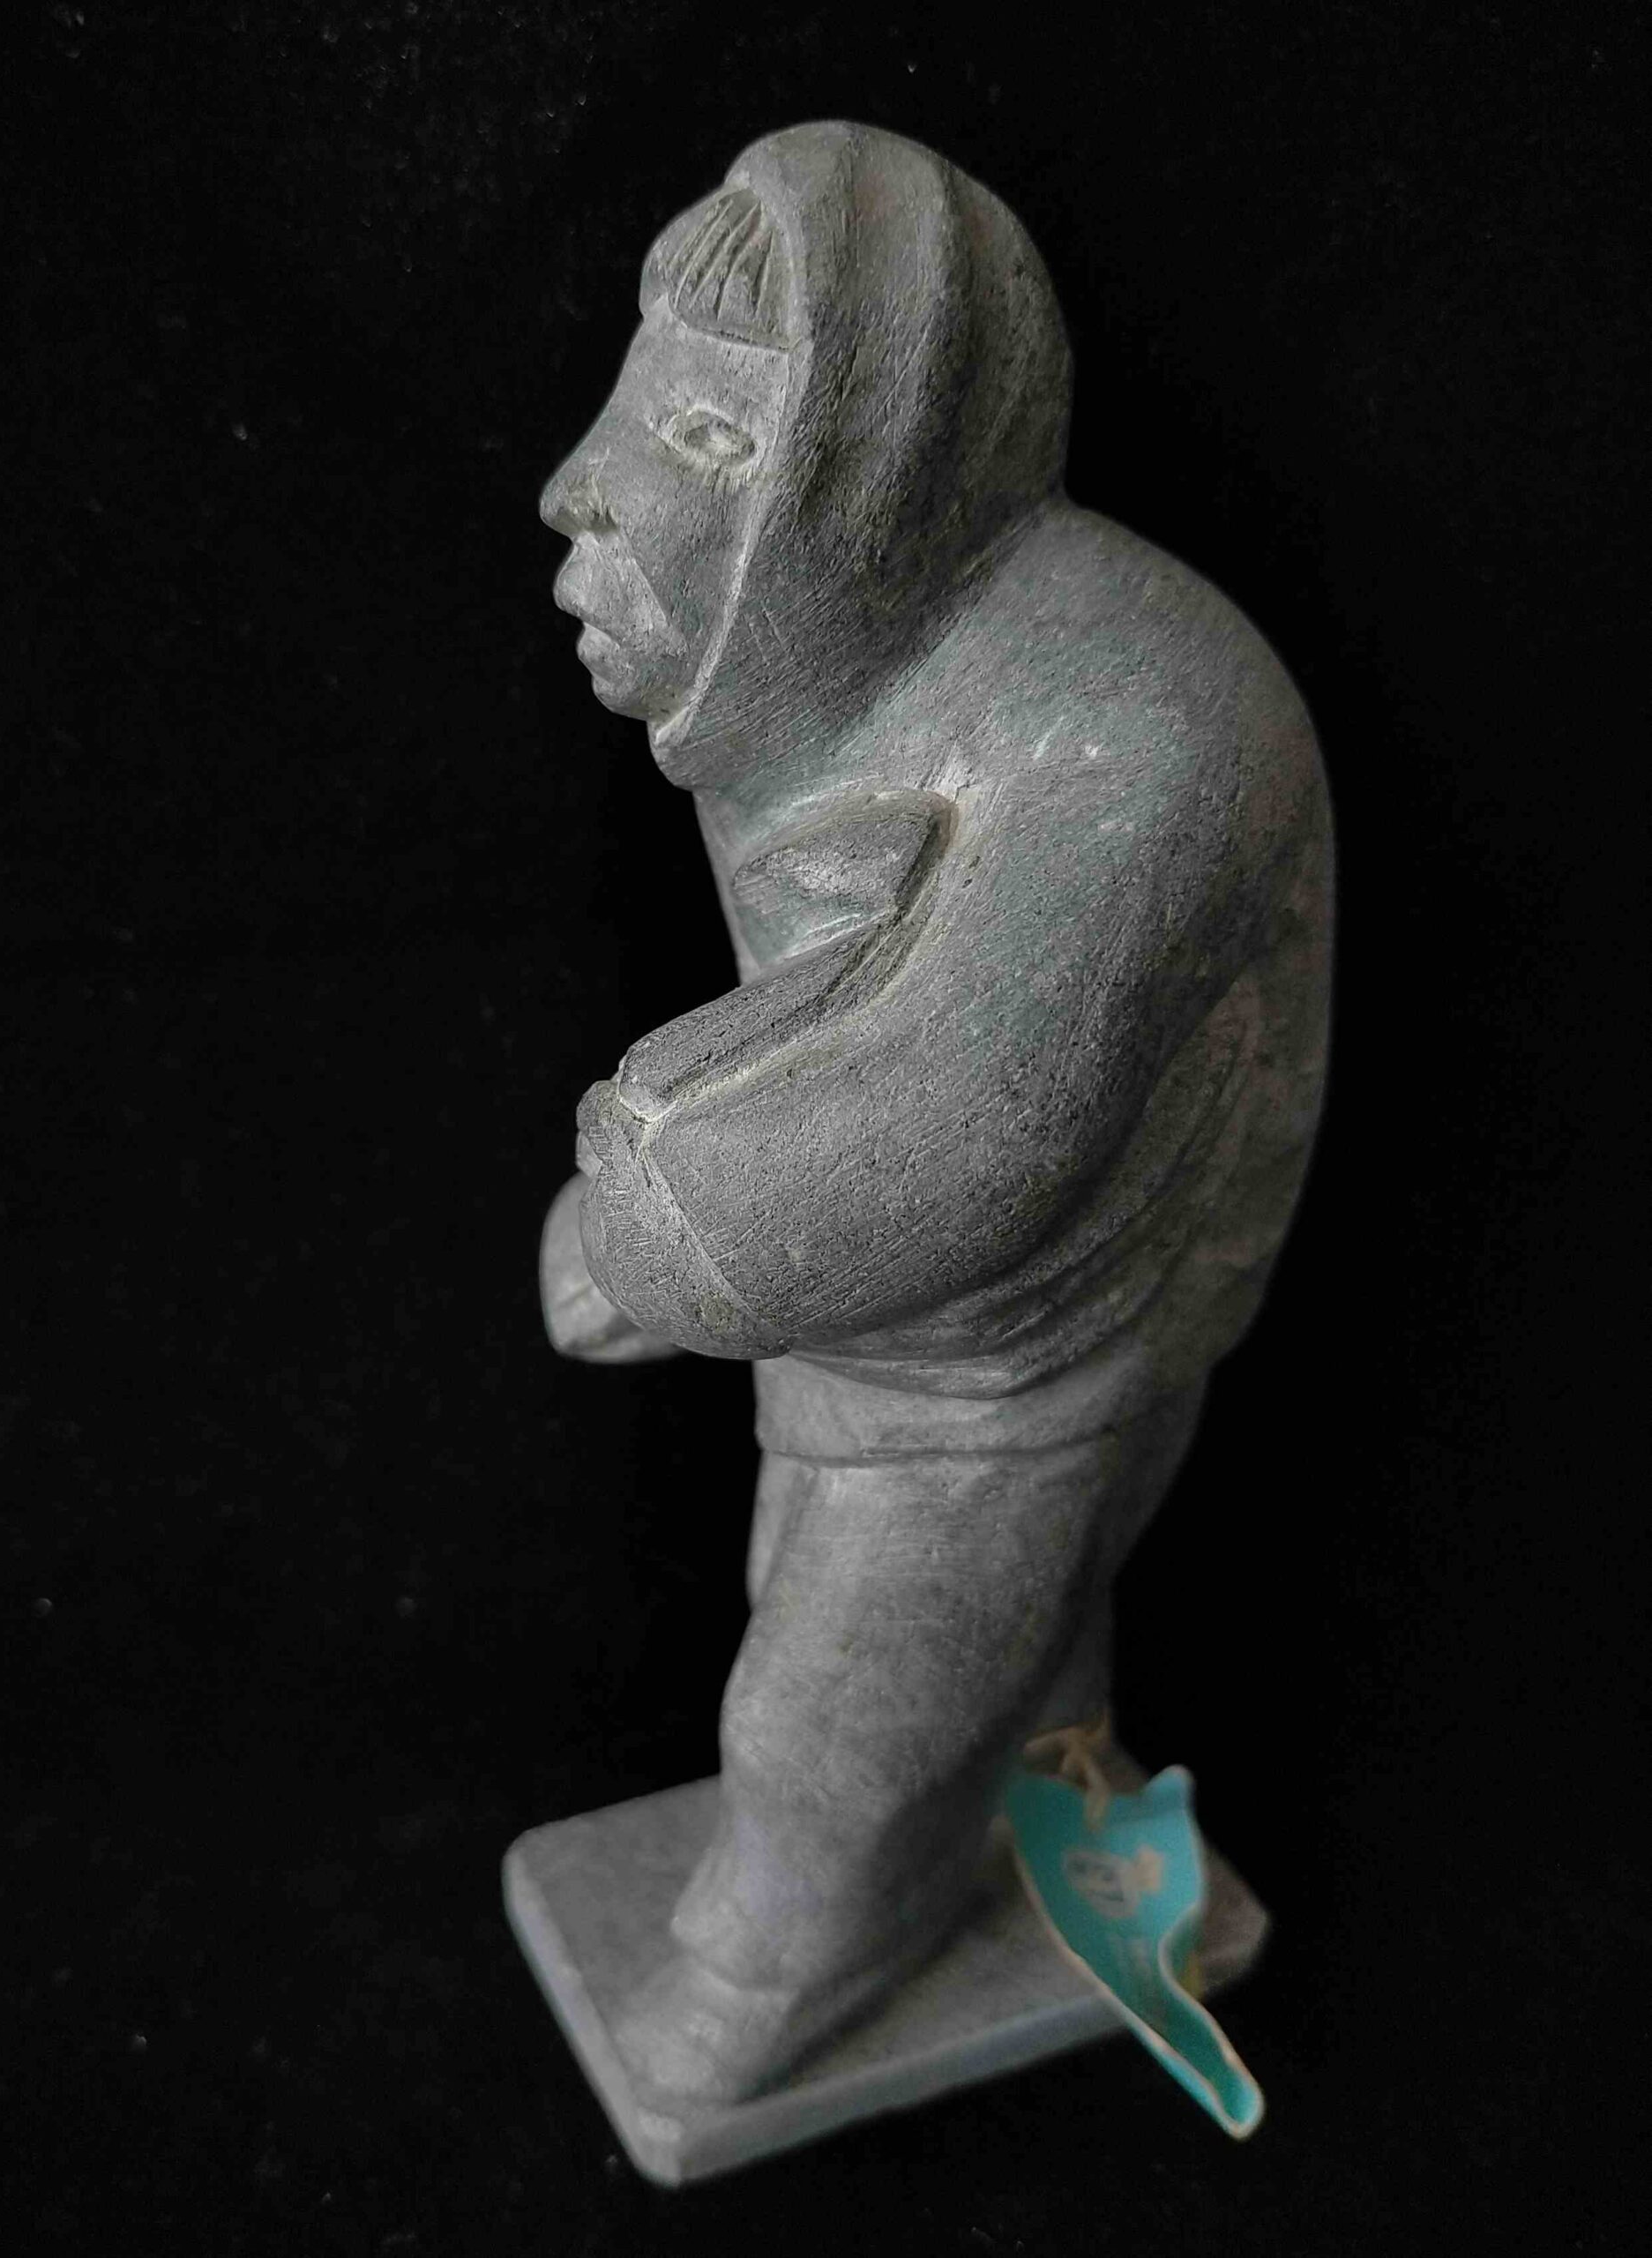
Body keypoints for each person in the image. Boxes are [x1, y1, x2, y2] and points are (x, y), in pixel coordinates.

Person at [537, 121, 1332, 2106]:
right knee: (968, 1626)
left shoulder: (1140, 727)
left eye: (711, 442)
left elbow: (969, 1112)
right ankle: (1060, 1798)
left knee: (831, 1706)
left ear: (874, 484)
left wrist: (644, 1219)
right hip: (891, 1322)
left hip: (1027, 1344)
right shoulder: (837, 658)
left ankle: (779, 1957)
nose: (587, 482)